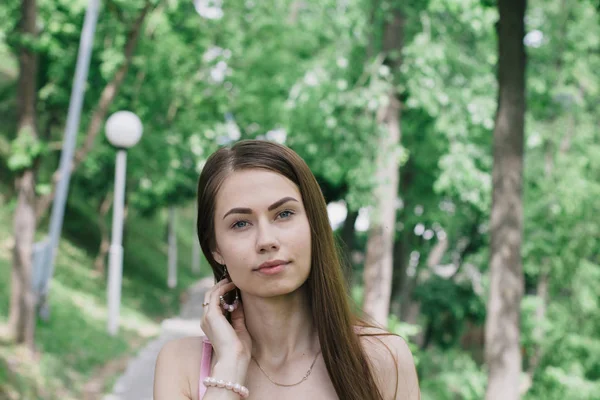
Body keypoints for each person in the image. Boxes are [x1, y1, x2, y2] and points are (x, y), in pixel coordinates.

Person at [153, 140, 420, 400]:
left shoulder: (383, 358)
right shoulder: (181, 366)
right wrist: (229, 368)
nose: (267, 241)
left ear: (313, 223)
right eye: (240, 224)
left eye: (283, 214)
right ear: (215, 249)